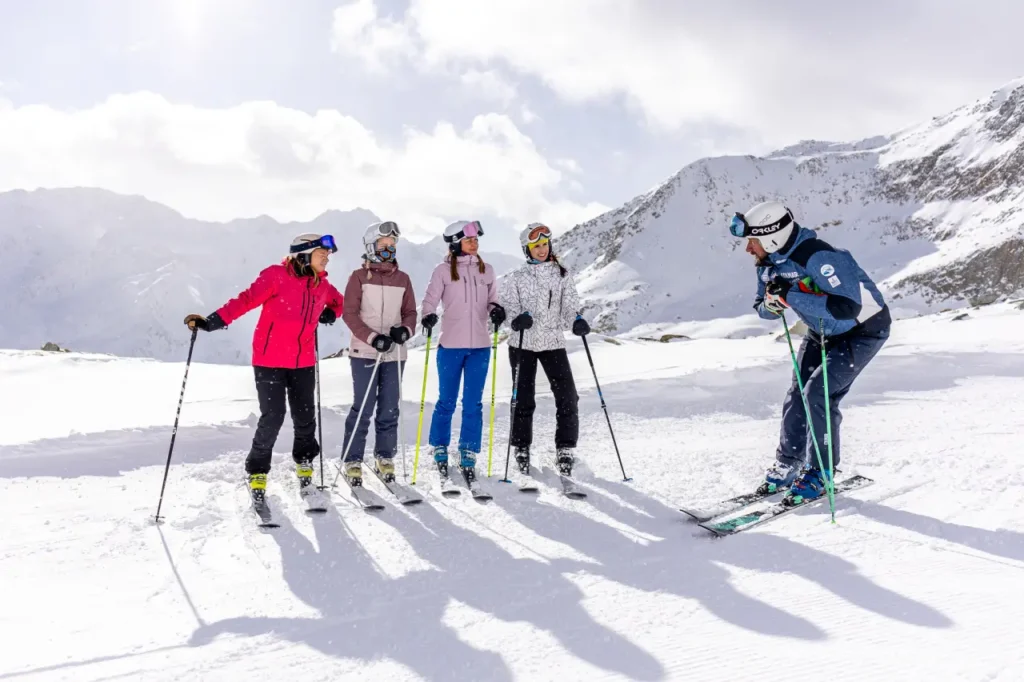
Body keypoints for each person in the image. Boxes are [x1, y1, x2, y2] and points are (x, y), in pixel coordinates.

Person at [731, 200, 891, 506]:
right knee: (797, 394)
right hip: (821, 331)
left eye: (752, 241)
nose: (748, 249)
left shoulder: (819, 257)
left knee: (818, 393)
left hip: (862, 330)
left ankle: (821, 473)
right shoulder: (769, 265)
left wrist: (790, 295)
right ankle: (790, 462)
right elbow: (762, 308)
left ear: (770, 238)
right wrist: (772, 304)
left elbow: (848, 307)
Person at [184, 233, 344, 509]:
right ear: (304, 254)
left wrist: (330, 313)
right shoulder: (276, 276)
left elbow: (338, 303)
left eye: (327, 254)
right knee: (273, 416)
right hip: (269, 359)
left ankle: (305, 461)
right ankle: (257, 469)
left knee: (305, 415)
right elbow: (245, 300)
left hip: (303, 361)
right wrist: (211, 321)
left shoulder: (322, 285)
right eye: (322, 253)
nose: (327, 258)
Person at [498, 222, 590, 478]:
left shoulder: (562, 275)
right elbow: (508, 309)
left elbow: (570, 306)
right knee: (524, 400)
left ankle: (565, 447)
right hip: (522, 344)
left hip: (553, 343)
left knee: (568, 397)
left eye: (544, 244)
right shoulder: (516, 277)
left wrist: (576, 320)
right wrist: (515, 321)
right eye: (536, 245)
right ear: (527, 249)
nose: (541, 249)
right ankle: (521, 447)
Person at [419, 220, 506, 483]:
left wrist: (496, 310)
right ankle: (439, 445)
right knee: (446, 400)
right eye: (469, 239)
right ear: (456, 242)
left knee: (473, 403)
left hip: (480, 346)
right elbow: (430, 300)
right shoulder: (443, 271)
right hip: (450, 347)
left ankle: (468, 449)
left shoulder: (487, 270)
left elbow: (493, 300)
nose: (474, 243)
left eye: (476, 240)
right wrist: (427, 316)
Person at [339, 221, 417, 486]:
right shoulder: (358, 277)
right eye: (384, 245)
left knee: (389, 408)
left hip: (395, 353)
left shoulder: (402, 278)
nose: (389, 250)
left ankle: (384, 456)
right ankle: (352, 459)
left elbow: (410, 313)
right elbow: (348, 314)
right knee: (363, 408)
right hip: (364, 351)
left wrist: (404, 331)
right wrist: (373, 338)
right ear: (371, 246)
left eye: (392, 245)